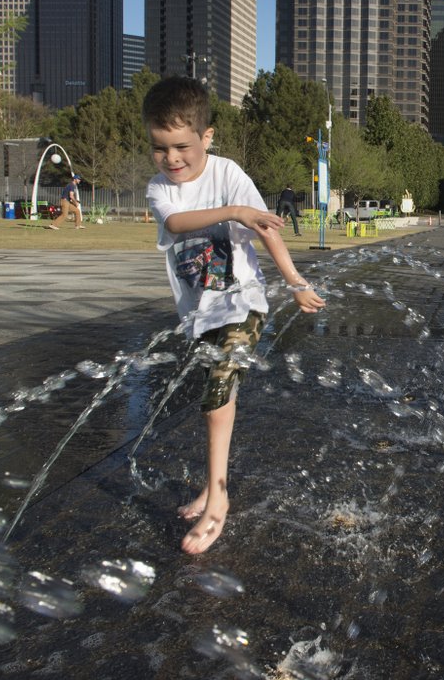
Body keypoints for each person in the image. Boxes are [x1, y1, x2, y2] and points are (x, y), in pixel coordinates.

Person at [144, 76, 325, 554]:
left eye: (182, 146)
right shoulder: (161, 188)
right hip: (199, 314)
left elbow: (268, 231)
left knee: (216, 393)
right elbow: (175, 223)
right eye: (160, 149)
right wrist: (234, 213)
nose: (172, 159)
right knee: (215, 398)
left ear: (207, 136)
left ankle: (217, 502)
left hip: (245, 304)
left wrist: (295, 282)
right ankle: (211, 484)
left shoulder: (228, 174)